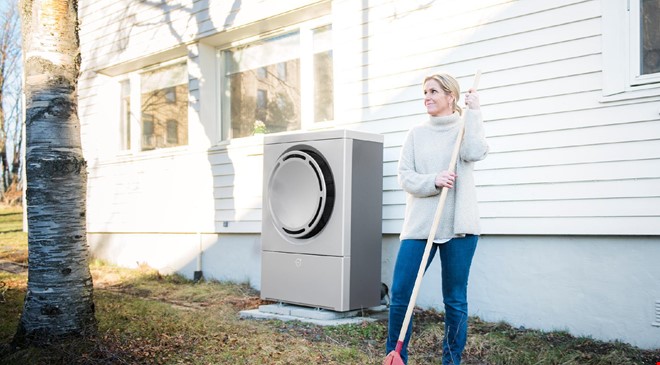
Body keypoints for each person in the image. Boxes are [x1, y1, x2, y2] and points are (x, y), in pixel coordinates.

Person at [386, 73, 489, 365]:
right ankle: (395, 357)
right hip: (421, 226)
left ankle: (451, 361)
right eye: (425, 92)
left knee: (454, 300)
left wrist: (476, 112)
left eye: (433, 91)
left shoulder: (464, 126)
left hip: (459, 227)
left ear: (450, 96)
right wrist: (434, 180)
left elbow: (474, 152)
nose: (427, 97)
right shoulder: (416, 133)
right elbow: (405, 177)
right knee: (401, 294)